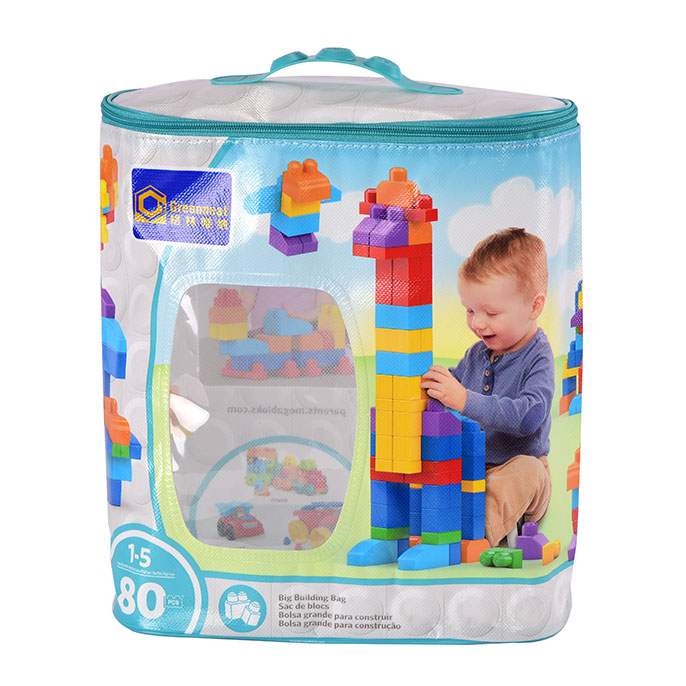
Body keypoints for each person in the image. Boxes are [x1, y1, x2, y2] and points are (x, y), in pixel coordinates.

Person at [421, 228, 555, 547]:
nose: (477, 323)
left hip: (518, 468)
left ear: (534, 307)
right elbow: (452, 388)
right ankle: (436, 521)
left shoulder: (538, 356)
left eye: (491, 313)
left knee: (527, 471)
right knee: (439, 465)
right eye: (470, 310)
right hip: (473, 468)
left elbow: (528, 417)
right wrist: (429, 387)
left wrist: (463, 399)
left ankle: (475, 534)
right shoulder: (477, 354)